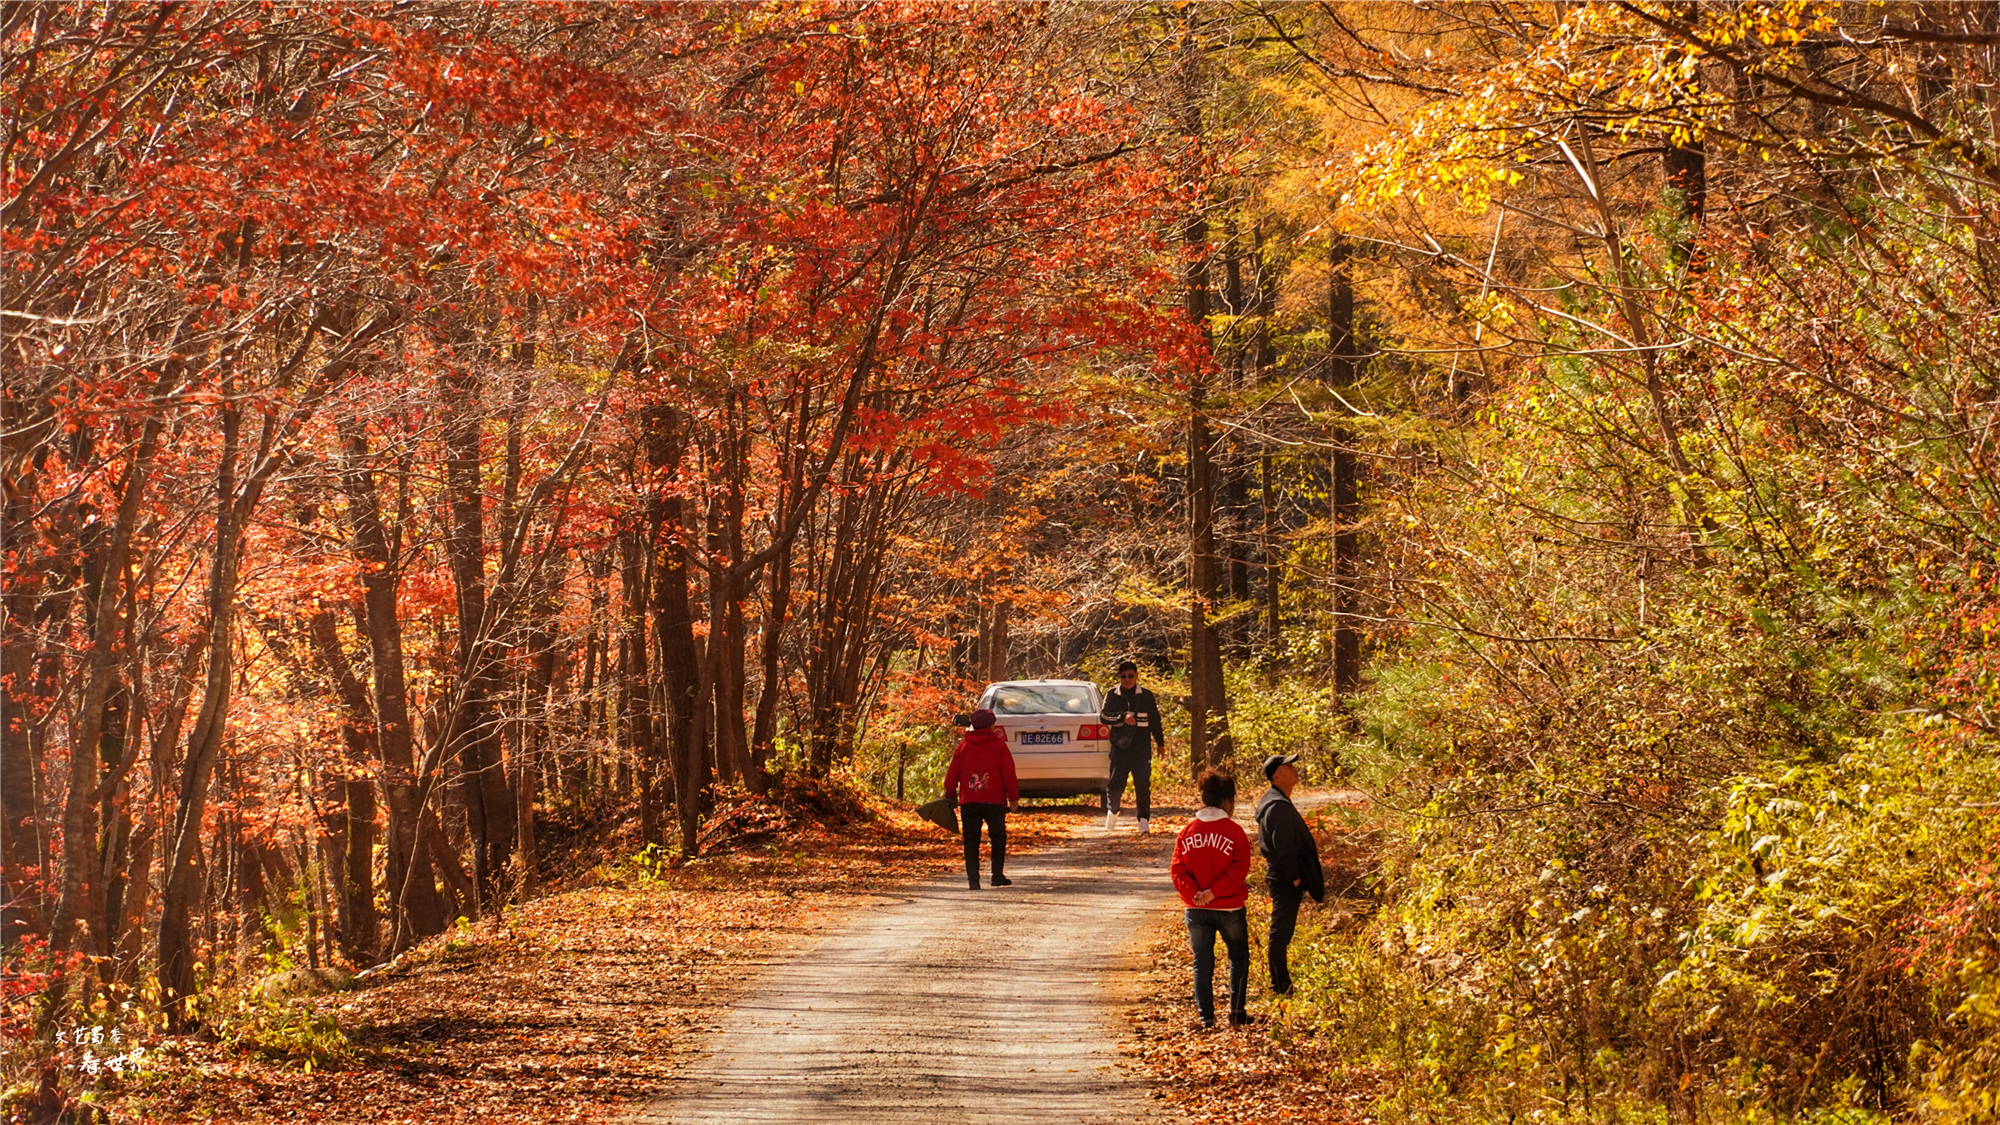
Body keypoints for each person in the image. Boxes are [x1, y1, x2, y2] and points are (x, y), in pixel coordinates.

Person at [1170, 768, 1253, 1028]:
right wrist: (1214, 892)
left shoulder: (1187, 831)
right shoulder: (1235, 832)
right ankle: (1237, 1013)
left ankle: (1206, 1018)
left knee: (1201, 962)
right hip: (1229, 907)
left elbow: (1177, 869)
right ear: (1227, 801)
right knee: (1238, 957)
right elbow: (1238, 870)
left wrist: (1195, 893)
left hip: (1195, 909)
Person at [1254, 753, 1325, 996]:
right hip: (1284, 878)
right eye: (1288, 766)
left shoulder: (1277, 801)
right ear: (1277, 776)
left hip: (1283, 876)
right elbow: (1282, 845)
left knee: (1283, 931)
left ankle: (1281, 982)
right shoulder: (1277, 806)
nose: (1294, 768)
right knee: (1280, 932)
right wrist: (1295, 876)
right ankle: (1280, 984)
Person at [943, 707, 1018, 890]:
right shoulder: (999, 745)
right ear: (991, 725)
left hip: (969, 800)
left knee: (971, 840)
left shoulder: (964, 746)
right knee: (998, 836)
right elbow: (1008, 773)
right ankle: (997, 875)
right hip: (995, 800)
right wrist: (1013, 797)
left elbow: (953, 773)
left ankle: (973, 880)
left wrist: (950, 793)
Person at [1100, 660, 1165, 832]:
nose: (1127, 679)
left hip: (1141, 748)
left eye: (1130, 676)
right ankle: (1112, 811)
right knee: (1115, 784)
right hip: (1120, 748)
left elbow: (1155, 721)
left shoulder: (1146, 695)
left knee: (1143, 785)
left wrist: (1160, 743)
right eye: (1123, 676)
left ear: (1136, 676)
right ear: (1119, 677)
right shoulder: (1112, 694)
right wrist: (1122, 716)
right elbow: (1104, 717)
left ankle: (1143, 820)